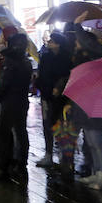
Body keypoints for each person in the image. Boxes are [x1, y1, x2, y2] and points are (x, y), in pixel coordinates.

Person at [0, 33, 32, 181]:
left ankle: (3, 167)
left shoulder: (11, 61)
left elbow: (5, 83)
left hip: (10, 102)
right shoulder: (26, 61)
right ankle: (21, 164)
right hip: (21, 101)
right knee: (20, 132)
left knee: (2, 133)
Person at [35, 32, 73, 167]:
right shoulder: (45, 57)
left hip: (62, 98)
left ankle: (65, 157)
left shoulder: (67, 58)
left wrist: (59, 88)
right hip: (47, 96)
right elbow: (41, 74)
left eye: (52, 41)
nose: (49, 42)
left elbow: (68, 77)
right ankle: (49, 154)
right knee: (47, 125)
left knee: (62, 126)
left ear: (58, 44)